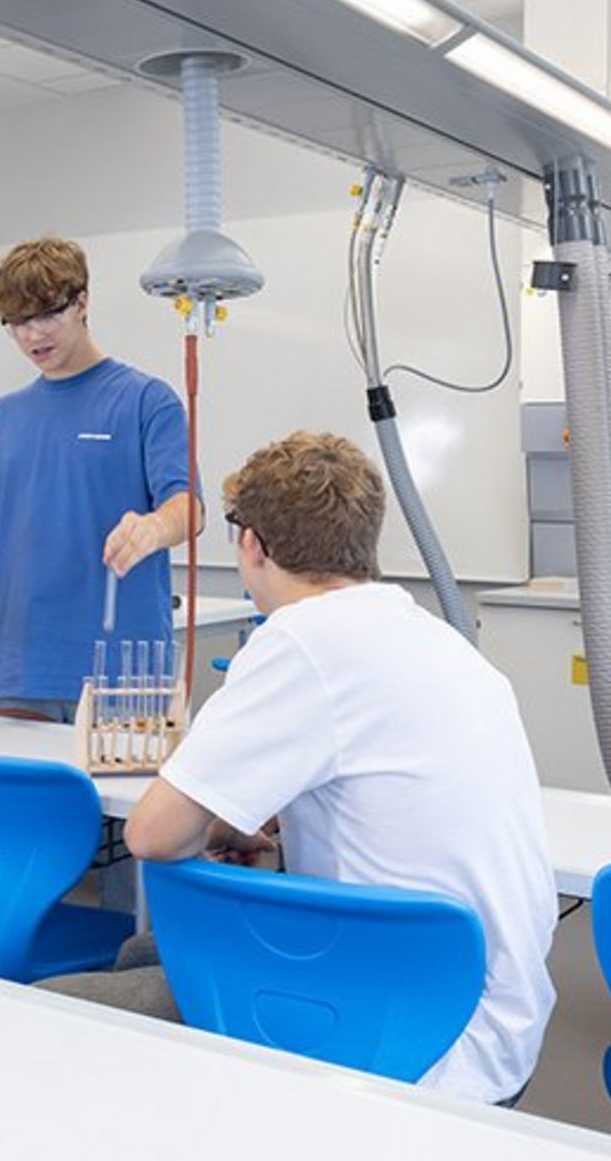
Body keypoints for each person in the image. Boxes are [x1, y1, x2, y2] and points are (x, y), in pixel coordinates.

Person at [40, 431, 557, 1107]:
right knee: (145, 953)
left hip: (402, 1031)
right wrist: (261, 826)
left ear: (253, 545)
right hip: (490, 1014)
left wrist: (210, 824)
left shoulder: (300, 639)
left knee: (49, 1011)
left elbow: (152, 835)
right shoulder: (441, 642)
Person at [0, 237, 198, 720]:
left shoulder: (147, 401)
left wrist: (154, 527)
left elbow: (188, 507)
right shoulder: (2, 419)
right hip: (20, 673)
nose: (33, 335)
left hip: (124, 678)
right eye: (17, 322)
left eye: (47, 315)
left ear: (82, 302)